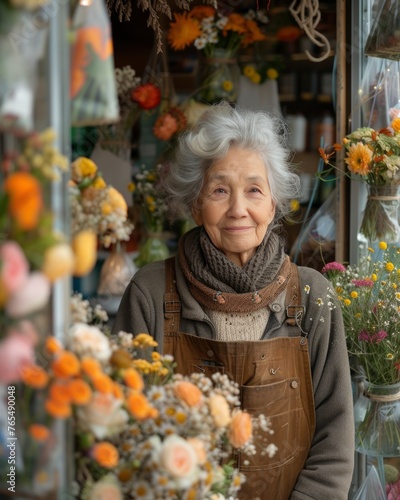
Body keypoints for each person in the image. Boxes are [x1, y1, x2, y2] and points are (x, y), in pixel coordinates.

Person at [112, 103, 355, 499]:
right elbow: (122, 428)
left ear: (273, 204)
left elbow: (334, 439)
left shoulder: (312, 297)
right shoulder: (151, 293)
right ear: (195, 204)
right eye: (219, 190)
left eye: (254, 190)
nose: (238, 209)